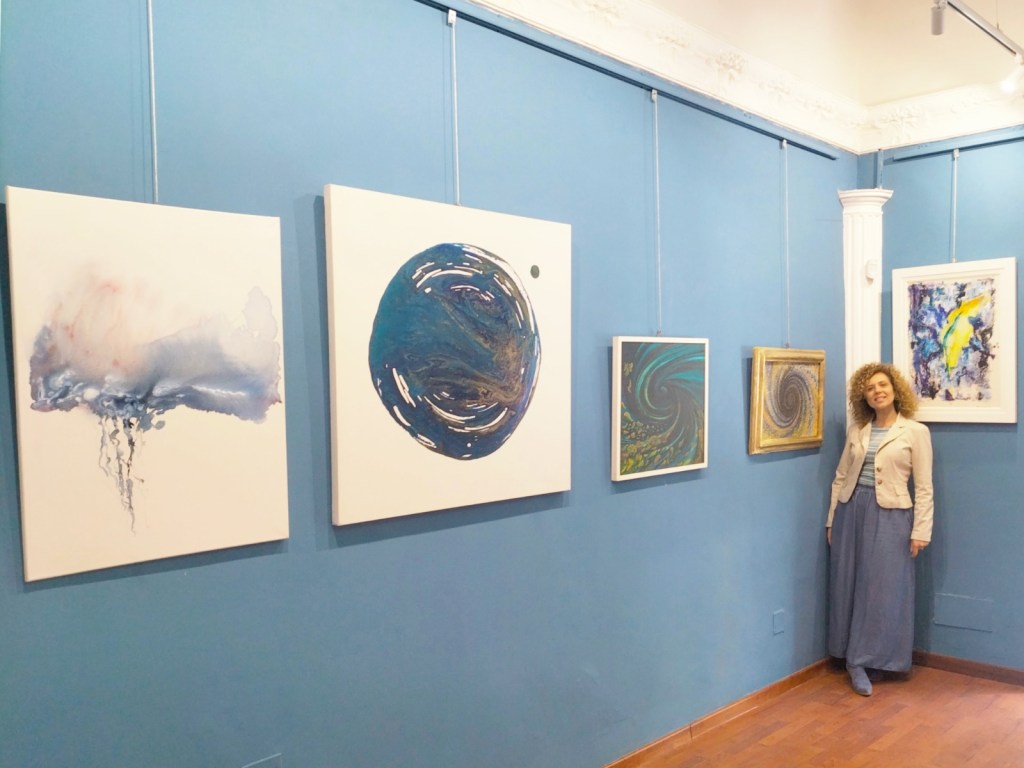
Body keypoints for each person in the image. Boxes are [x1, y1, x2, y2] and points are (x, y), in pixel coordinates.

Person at [826, 362, 933, 696]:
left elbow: (924, 487)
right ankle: (852, 657)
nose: (877, 391)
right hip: (851, 509)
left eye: (882, 385)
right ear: (865, 396)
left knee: (883, 588)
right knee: (848, 582)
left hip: (892, 515)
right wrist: (831, 520)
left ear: (895, 389)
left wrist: (921, 530)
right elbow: (841, 476)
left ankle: (873, 658)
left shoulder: (915, 432)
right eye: (870, 388)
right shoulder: (858, 430)